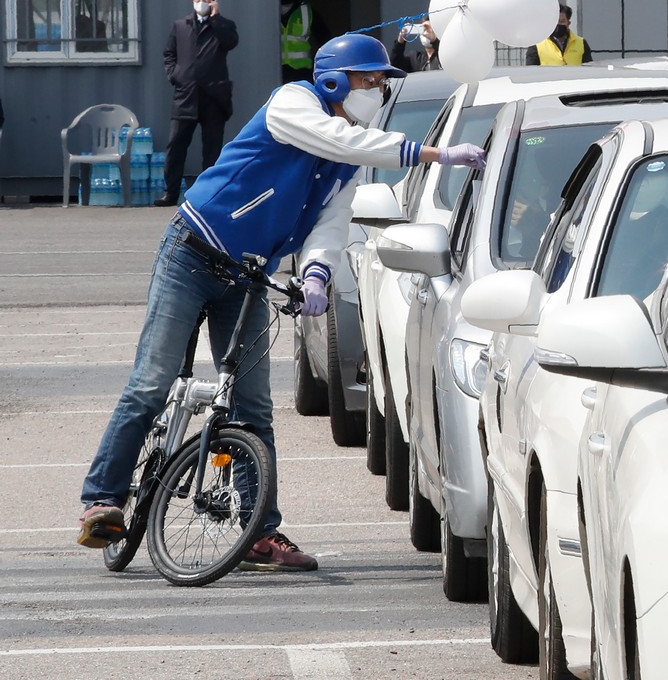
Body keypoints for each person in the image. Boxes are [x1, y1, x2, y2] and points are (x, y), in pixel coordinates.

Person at [76, 34, 486, 572]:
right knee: (151, 382)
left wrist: (316, 276)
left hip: (247, 273)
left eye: (382, 82)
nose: (378, 90)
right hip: (193, 252)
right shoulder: (294, 104)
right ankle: (102, 498)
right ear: (335, 81)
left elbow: (331, 226)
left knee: (253, 408)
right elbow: (339, 140)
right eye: (370, 80)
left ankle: (258, 533)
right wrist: (431, 153)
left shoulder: (348, 160)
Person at [156, 0, 239, 207]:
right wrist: (175, 75)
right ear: (192, 0)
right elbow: (169, 54)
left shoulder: (224, 25)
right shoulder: (180, 25)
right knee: (176, 146)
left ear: (214, 2)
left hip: (214, 97)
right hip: (186, 96)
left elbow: (230, 42)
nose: (201, 2)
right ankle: (170, 192)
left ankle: (208, 195)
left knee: (212, 149)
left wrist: (216, 18)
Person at [280, 0, 323, 83]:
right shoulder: (267, 10)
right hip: (275, 71)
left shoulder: (307, 11)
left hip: (302, 72)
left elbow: (324, 39)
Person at [525, 4, 593, 66]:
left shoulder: (581, 43)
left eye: (562, 21)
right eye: (555, 21)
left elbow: (588, 70)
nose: (558, 25)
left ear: (568, 23)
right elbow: (531, 72)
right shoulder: (537, 45)